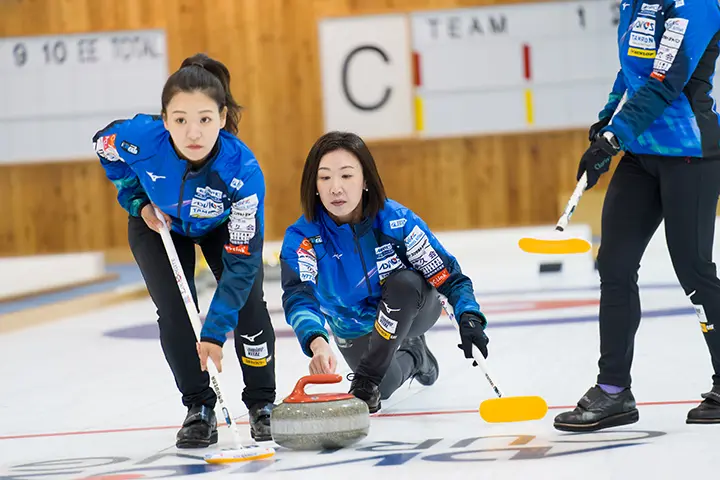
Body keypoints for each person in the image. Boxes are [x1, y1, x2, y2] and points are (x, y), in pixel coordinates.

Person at [93, 53, 277, 447]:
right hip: (159, 222)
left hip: (220, 225)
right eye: (180, 120)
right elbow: (104, 147)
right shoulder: (138, 137)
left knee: (249, 304)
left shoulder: (242, 171)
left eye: (205, 120)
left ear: (223, 117)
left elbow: (241, 266)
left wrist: (213, 331)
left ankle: (261, 403)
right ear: (164, 119)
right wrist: (135, 199)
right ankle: (199, 407)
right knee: (176, 311)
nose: (193, 133)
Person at [555, 0, 720, 431]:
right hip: (640, 154)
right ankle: (613, 392)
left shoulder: (696, 5)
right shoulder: (633, 3)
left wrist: (613, 137)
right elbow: (631, 74)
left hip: (690, 154)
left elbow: (665, 81)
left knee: (694, 270)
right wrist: (604, 124)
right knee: (614, 263)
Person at [278, 131, 490, 413]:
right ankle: (417, 356)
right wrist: (317, 342)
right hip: (352, 326)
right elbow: (299, 296)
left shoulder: (396, 222)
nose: (336, 188)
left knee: (403, 287)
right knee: (386, 385)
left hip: (412, 309)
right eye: (325, 177)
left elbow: (449, 276)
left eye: (346, 176)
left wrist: (469, 316)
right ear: (314, 185)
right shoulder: (302, 237)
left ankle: (369, 375)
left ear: (365, 179)